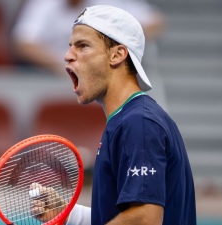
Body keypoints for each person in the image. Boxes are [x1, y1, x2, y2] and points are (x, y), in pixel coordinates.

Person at [30, 5, 196, 225]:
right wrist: (69, 215)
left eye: (83, 46)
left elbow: (146, 219)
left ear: (117, 55)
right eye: (71, 46)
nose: (67, 55)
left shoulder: (139, 123)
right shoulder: (131, 119)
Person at [11, 0, 165, 77]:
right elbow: (24, 43)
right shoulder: (43, 3)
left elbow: (155, 22)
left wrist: (114, 46)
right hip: (51, 75)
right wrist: (62, 66)